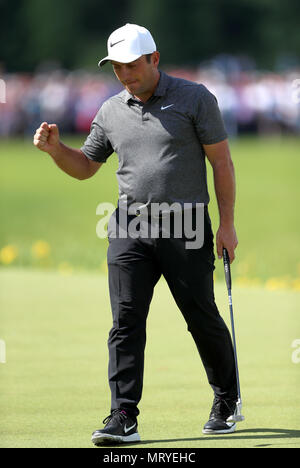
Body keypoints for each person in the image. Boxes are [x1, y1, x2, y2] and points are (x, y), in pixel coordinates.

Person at [33, 23, 239, 445]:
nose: (124, 74)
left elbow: (221, 163)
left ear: (154, 59)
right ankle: (123, 415)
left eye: (131, 65)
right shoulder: (110, 111)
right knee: (125, 321)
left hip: (186, 226)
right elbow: (86, 167)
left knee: (200, 317)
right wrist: (56, 150)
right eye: (116, 67)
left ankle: (226, 399)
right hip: (130, 225)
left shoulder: (195, 98)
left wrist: (227, 224)